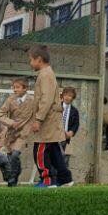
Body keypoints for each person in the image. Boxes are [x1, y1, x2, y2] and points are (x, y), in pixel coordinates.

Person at [27, 44, 71, 188]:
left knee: (39, 150)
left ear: (39, 59)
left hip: (47, 120)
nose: (30, 63)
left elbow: (46, 99)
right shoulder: (47, 73)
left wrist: (38, 119)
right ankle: (65, 178)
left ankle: (47, 180)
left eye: (31, 60)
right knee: (53, 150)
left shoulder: (45, 75)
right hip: (51, 118)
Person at [0, 77, 34, 186]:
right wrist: (10, 122)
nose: (15, 90)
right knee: (9, 158)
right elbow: (0, 114)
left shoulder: (32, 101)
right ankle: (14, 175)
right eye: (13, 87)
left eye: (17, 87)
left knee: (15, 155)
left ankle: (11, 180)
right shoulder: (10, 100)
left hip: (24, 134)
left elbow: (38, 115)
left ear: (25, 88)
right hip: (11, 133)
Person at [60, 88, 80, 171]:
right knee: (57, 156)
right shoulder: (57, 107)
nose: (67, 97)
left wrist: (71, 132)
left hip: (66, 137)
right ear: (62, 96)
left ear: (73, 98)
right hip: (55, 136)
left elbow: (76, 124)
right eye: (66, 95)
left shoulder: (74, 111)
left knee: (65, 158)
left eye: (70, 96)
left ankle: (63, 179)